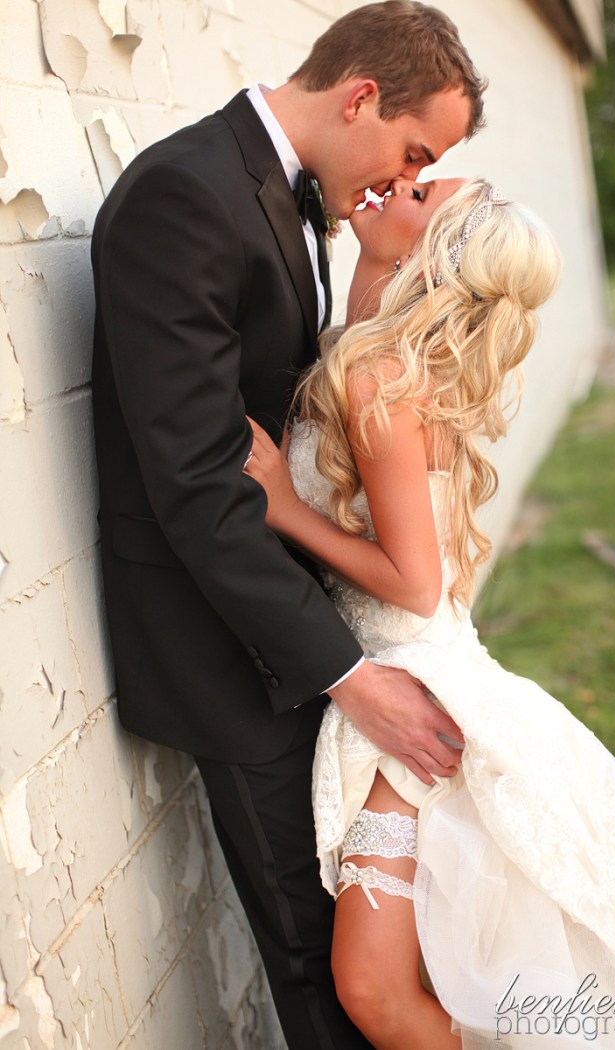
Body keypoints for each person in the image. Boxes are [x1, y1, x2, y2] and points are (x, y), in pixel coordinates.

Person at [90, 3, 486, 1047]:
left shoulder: (303, 203)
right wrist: (354, 683)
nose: (401, 185)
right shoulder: (187, 195)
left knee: (395, 950)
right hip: (235, 655)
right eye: (410, 153)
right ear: (358, 95)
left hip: (313, 640)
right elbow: (199, 482)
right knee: (325, 972)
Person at [244, 176, 615, 1050]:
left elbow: (414, 585)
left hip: (413, 688)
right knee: (462, 975)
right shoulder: (378, 356)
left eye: (417, 190)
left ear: (431, 251)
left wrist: (281, 507)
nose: (390, 186)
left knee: (376, 988)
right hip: (417, 664)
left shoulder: (382, 378)